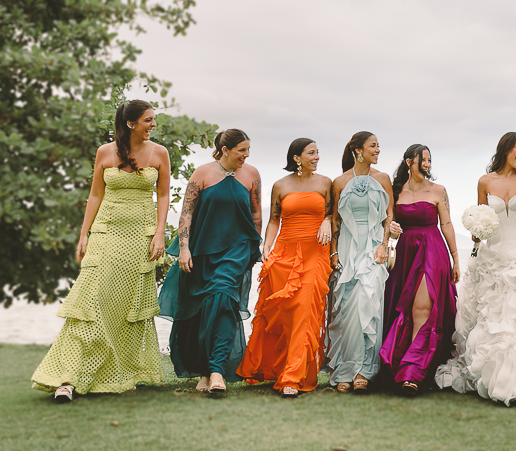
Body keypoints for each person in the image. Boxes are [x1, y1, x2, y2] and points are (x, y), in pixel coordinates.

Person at [32, 100, 170, 402]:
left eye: (153, 120)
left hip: (141, 237)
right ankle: (66, 378)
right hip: (106, 233)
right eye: (148, 120)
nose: (153, 125)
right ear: (131, 123)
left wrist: (160, 233)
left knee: (126, 306)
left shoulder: (160, 153)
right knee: (91, 301)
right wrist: (84, 233)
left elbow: (162, 195)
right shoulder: (105, 152)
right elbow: (95, 194)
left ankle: (120, 371)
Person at [436, 131, 516, 405]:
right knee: (495, 319)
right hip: (493, 256)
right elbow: (484, 216)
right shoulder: (485, 181)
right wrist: (476, 233)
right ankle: (497, 381)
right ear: (505, 148)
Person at [158, 128, 262, 396]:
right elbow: (187, 215)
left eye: (248, 150)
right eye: (241, 150)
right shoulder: (202, 173)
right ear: (225, 150)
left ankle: (217, 370)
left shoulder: (252, 175)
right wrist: (184, 249)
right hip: (203, 250)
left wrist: (255, 246)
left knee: (224, 299)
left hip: (237, 249)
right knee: (203, 309)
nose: (246, 155)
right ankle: (204, 370)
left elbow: (256, 213)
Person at [238, 138, 332, 397]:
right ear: (296, 157)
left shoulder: (326, 183)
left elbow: (334, 213)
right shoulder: (280, 185)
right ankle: (277, 368)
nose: (317, 157)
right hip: (284, 252)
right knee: (283, 314)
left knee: (304, 311)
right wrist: (266, 247)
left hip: (314, 253)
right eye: (311, 153)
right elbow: (273, 220)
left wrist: (326, 220)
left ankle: (292, 377)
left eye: (317, 153)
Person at [380, 144, 459, 395]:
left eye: (429, 160)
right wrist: (391, 230)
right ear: (408, 162)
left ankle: (412, 372)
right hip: (405, 253)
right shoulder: (394, 191)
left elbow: (446, 224)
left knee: (422, 308)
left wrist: (456, 258)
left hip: (433, 251)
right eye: (422, 159)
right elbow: (387, 222)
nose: (426, 164)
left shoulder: (438, 191)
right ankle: (400, 365)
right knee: (401, 308)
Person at [325, 131, 396, 393]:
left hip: (374, 248)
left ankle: (364, 370)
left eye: (378, 146)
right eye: (373, 146)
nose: (378, 150)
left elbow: (390, 215)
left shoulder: (384, 179)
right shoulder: (340, 181)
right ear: (358, 150)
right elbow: (335, 220)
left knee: (370, 305)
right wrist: (334, 253)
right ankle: (345, 369)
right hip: (347, 247)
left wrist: (384, 245)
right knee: (346, 308)